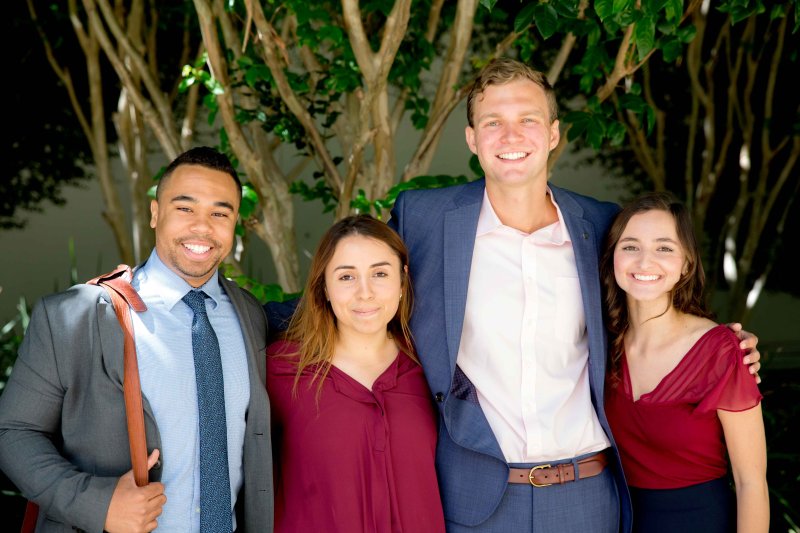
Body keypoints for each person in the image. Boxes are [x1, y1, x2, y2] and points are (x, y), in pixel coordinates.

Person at [384, 58, 761, 532]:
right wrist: (258, 329)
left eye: (528, 120)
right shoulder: (425, 219)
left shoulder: (600, 224)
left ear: (554, 133)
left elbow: (654, 302)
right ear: (472, 138)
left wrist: (724, 348)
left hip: (588, 497)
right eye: (493, 122)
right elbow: (356, 295)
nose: (511, 136)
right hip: (474, 501)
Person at [0, 147, 273, 532]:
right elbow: (12, 432)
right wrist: (96, 505)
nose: (202, 226)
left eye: (220, 212)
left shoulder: (250, 315)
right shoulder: (76, 318)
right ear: (155, 213)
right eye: (185, 208)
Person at [600, 192, 768, 533]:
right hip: (616, 519)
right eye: (630, 246)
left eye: (664, 247)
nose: (645, 262)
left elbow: (750, 482)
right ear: (612, 258)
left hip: (700, 520)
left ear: (686, 264)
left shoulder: (721, 351)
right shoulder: (599, 343)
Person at [266, 215, 445, 533]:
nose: (365, 293)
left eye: (379, 273)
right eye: (347, 277)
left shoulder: (433, 365)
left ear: (402, 281)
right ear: (324, 287)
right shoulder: (280, 369)